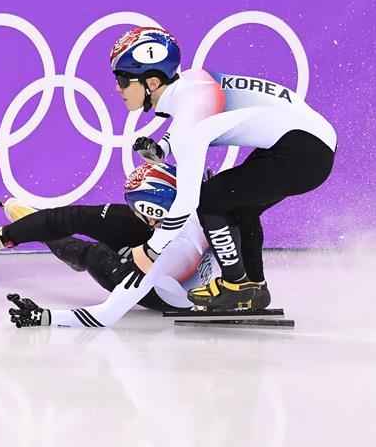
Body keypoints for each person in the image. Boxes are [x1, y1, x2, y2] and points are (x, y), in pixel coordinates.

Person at [110, 26, 337, 312]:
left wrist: (150, 251)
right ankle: (252, 287)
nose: (118, 88)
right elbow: (195, 119)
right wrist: (163, 150)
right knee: (239, 206)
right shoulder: (193, 80)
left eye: (122, 79)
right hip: (308, 143)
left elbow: (187, 202)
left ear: (152, 83)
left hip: (302, 151)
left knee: (209, 200)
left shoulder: (187, 124)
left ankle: (237, 286)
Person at [0, 163, 216, 322]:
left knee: (94, 254)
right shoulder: (209, 208)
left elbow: (105, 316)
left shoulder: (145, 244)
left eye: (135, 207)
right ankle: (21, 228)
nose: (132, 210)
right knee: (82, 225)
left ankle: (22, 233)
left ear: (152, 212)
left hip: (161, 294)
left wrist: (46, 318)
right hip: (195, 287)